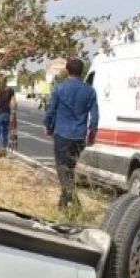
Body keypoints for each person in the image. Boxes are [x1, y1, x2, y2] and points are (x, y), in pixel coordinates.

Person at [43, 58, 98, 210]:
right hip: (79, 136)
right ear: (82, 71)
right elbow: (95, 116)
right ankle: (63, 204)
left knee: (62, 168)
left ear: (67, 71)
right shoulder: (90, 91)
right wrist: (92, 133)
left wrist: (48, 126)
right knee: (70, 168)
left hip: (62, 133)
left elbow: (51, 111)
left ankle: (73, 201)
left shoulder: (60, 89)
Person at [0, 80, 16, 157]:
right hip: (6, 113)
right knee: (5, 132)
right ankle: (4, 149)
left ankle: (0, 149)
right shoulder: (10, 90)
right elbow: (14, 102)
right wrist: (13, 113)